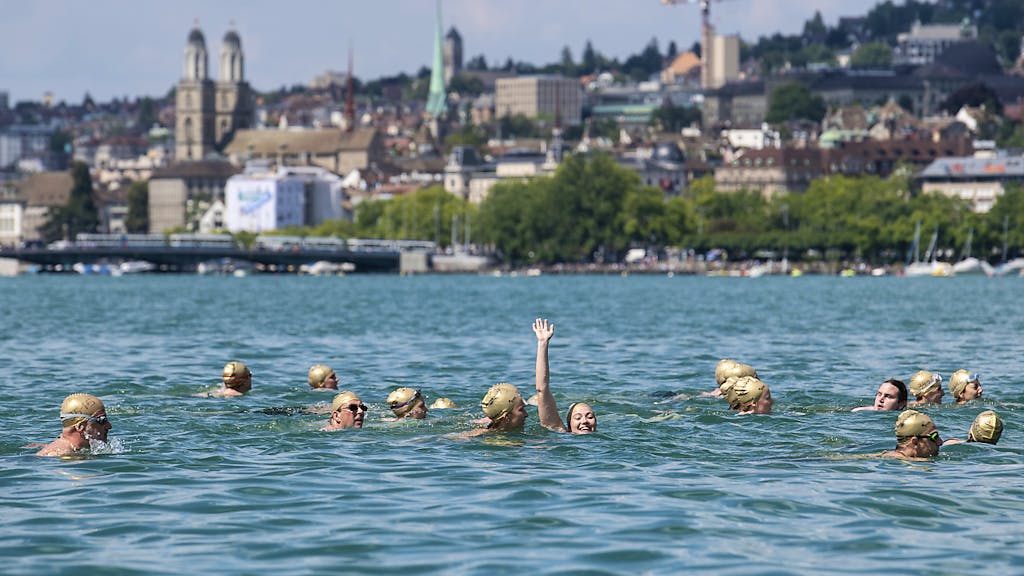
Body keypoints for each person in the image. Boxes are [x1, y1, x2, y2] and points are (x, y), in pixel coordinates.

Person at [532, 318, 596, 434]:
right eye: (577, 417)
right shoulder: (562, 433)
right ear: (569, 425)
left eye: (590, 417)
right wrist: (543, 343)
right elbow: (542, 389)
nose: (585, 421)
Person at [36, 393, 113, 457]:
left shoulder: (66, 447)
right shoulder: (62, 455)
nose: (109, 426)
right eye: (102, 420)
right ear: (80, 427)